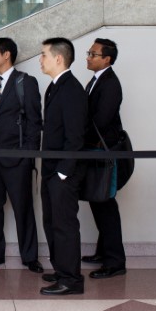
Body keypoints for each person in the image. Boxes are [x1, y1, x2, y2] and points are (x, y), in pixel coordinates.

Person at [0, 38, 43, 273]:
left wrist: (28, 156)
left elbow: (35, 123)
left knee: (23, 208)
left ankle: (30, 257)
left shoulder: (26, 83)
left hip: (17, 159)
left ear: (7, 55)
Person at [37, 37, 88, 295]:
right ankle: (61, 270)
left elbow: (75, 136)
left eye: (44, 54)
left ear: (59, 58)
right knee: (52, 221)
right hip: (51, 169)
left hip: (63, 172)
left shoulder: (71, 89)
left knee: (65, 224)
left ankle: (71, 279)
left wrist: (62, 172)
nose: (40, 59)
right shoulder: (54, 87)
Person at [81, 38, 127, 279]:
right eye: (89, 52)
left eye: (93, 53)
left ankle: (115, 262)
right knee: (98, 202)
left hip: (103, 152)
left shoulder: (110, 84)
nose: (88, 56)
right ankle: (103, 252)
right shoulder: (97, 80)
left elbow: (100, 120)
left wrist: (77, 138)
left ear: (107, 58)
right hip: (94, 151)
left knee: (106, 204)